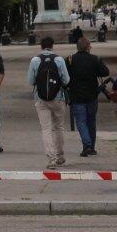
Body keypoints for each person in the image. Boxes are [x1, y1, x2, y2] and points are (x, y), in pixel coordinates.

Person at [28, 35, 70, 167]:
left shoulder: (35, 60)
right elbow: (66, 80)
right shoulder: (59, 60)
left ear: (41, 46)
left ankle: (51, 159)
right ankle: (60, 155)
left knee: (46, 129)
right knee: (59, 127)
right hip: (58, 98)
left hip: (41, 99)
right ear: (52, 46)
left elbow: (31, 81)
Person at [66, 35, 110, 156]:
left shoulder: (70, 59)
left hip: (76, 95)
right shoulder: (95, 59)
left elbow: (65, 76)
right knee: (91, 121)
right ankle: (91, 146)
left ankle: (87, 145)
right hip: (92, 95)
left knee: (81, 121)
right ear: (88, 47)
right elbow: (105, 72)